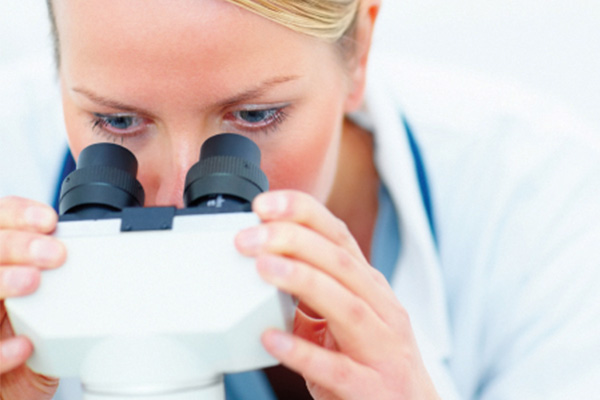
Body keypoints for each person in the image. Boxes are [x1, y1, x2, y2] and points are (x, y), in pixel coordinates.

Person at [1, 0, 600, 399]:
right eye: (117, 119)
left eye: (255, 116)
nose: (183, 192)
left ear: (359, 49)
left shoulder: (538, 202)